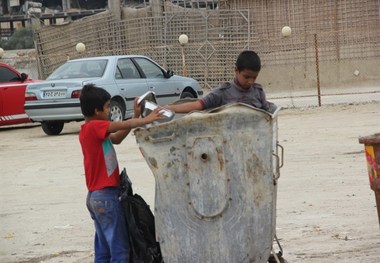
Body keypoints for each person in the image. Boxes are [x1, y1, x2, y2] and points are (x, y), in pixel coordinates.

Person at [78, 83, 163, 263]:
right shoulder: (94, 127)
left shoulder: (92, 131)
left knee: (104, 250)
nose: (110, 110)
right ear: (96, 110)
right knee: (120, 251)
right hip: (105, 196)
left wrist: (137, 115)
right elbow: (122, 124)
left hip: (96, 198)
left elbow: (117, 138)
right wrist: (146, 120)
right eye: (108, 106)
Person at [165, 50, 269, 113]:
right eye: (246, 77)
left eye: (254, 78)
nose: (250, 81)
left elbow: (268, 115)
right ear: (236, 70)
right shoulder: (223, 92)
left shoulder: (258, 92)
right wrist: (171, 108)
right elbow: (199, 105)